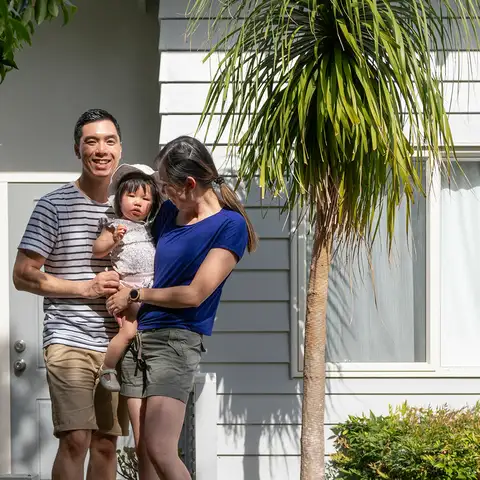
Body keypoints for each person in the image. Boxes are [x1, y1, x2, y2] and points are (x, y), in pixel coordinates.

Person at [106, 135, 258, 480]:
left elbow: (195, 295)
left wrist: (135, 296)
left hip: (176, 340)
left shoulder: (228, 225)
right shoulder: (171, 214)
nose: (162, 193)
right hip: (138, 336)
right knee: (144, 449)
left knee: (160, 447)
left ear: (189, 184)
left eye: (166, 186)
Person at [13, 109, 129, 480]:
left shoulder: (132, 207)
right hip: (69, 338)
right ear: (77, 150)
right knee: (76, 438)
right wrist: (86, 287)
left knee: (106, 443)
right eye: (91, 141)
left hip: (118, 344)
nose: (101, 149)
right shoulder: (53, 205)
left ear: (120, 150)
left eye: (109, 141)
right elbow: (23, 275)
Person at [93, 164, 162, 392]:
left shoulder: (149, 228)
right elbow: (98, 250)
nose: (137, 202)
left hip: (147, 287)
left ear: (152, 205)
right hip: (125, 287)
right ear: (119, 199)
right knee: (129, 332)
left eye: (145, 198)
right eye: (131, 195)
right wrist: (113, 238)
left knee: (144, 331)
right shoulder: (115, 225)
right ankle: (108, 368)